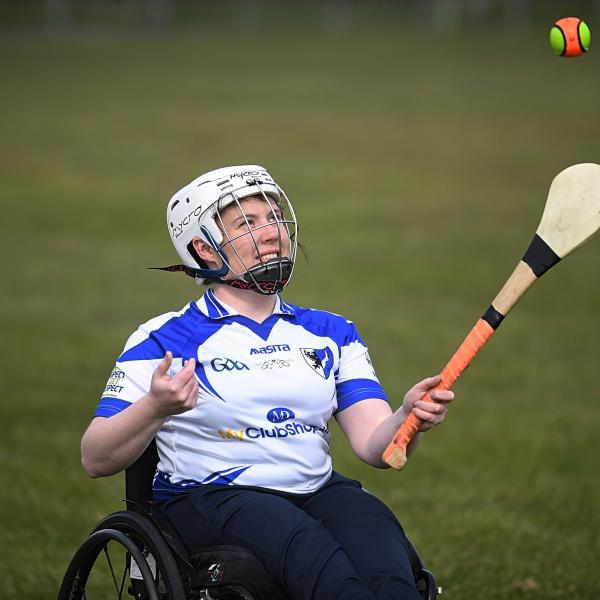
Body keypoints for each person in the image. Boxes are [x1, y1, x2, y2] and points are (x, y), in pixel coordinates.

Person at [81, 165, 454, 600]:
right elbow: (95, 457)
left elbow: (376, 446)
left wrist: (408, 417)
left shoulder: (332, 332)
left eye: (275, 217)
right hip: (213, 496)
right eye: (248, 222)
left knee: (385, 557)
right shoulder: (161, 338)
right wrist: (155, 407)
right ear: (204, 248)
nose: (272, 231)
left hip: (316, 489)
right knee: (324, 569)